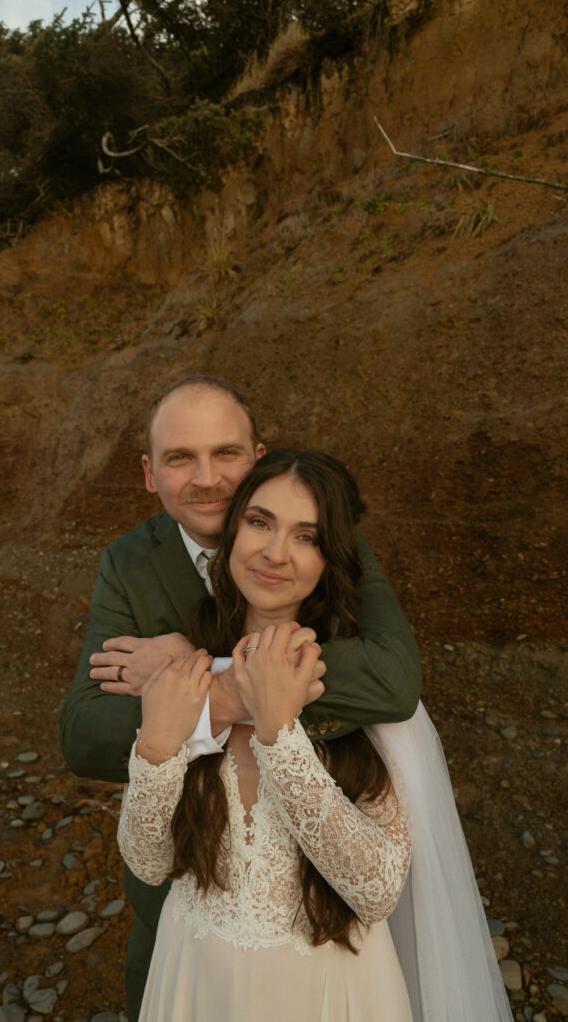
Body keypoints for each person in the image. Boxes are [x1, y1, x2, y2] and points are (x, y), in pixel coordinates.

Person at [59, 376, 422, 1020]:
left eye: (225, 454)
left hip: (319, 919)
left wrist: (207, 674)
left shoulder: (321, 537)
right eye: (179, 458)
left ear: (258, 457)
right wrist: (217, 700)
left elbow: (392, 677)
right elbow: (86, 734)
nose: (207, 479)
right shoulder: (129, 564)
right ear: (149, 474)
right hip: (184, 910)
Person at [117, 450, 515, 1022]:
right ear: (230, 534)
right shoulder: (189, 662)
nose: (275, 553)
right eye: (259, 522)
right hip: (195, 979)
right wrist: (157, 743)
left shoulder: (364, 683)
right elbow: (148, 861)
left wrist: (280, 735)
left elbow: (375, 889)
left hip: (326, 991)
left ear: (333, 557)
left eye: (307, 536)